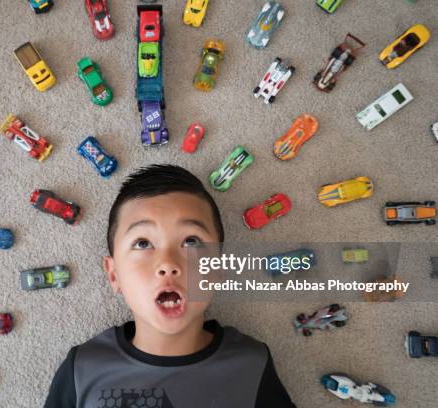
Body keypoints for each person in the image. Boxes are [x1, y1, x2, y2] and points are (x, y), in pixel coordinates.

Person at [44, 164, 296, 408]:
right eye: (142, 243)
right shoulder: (82, 367)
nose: (167, 264)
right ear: (114, 274)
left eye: (191, 241)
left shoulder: (251, 364)